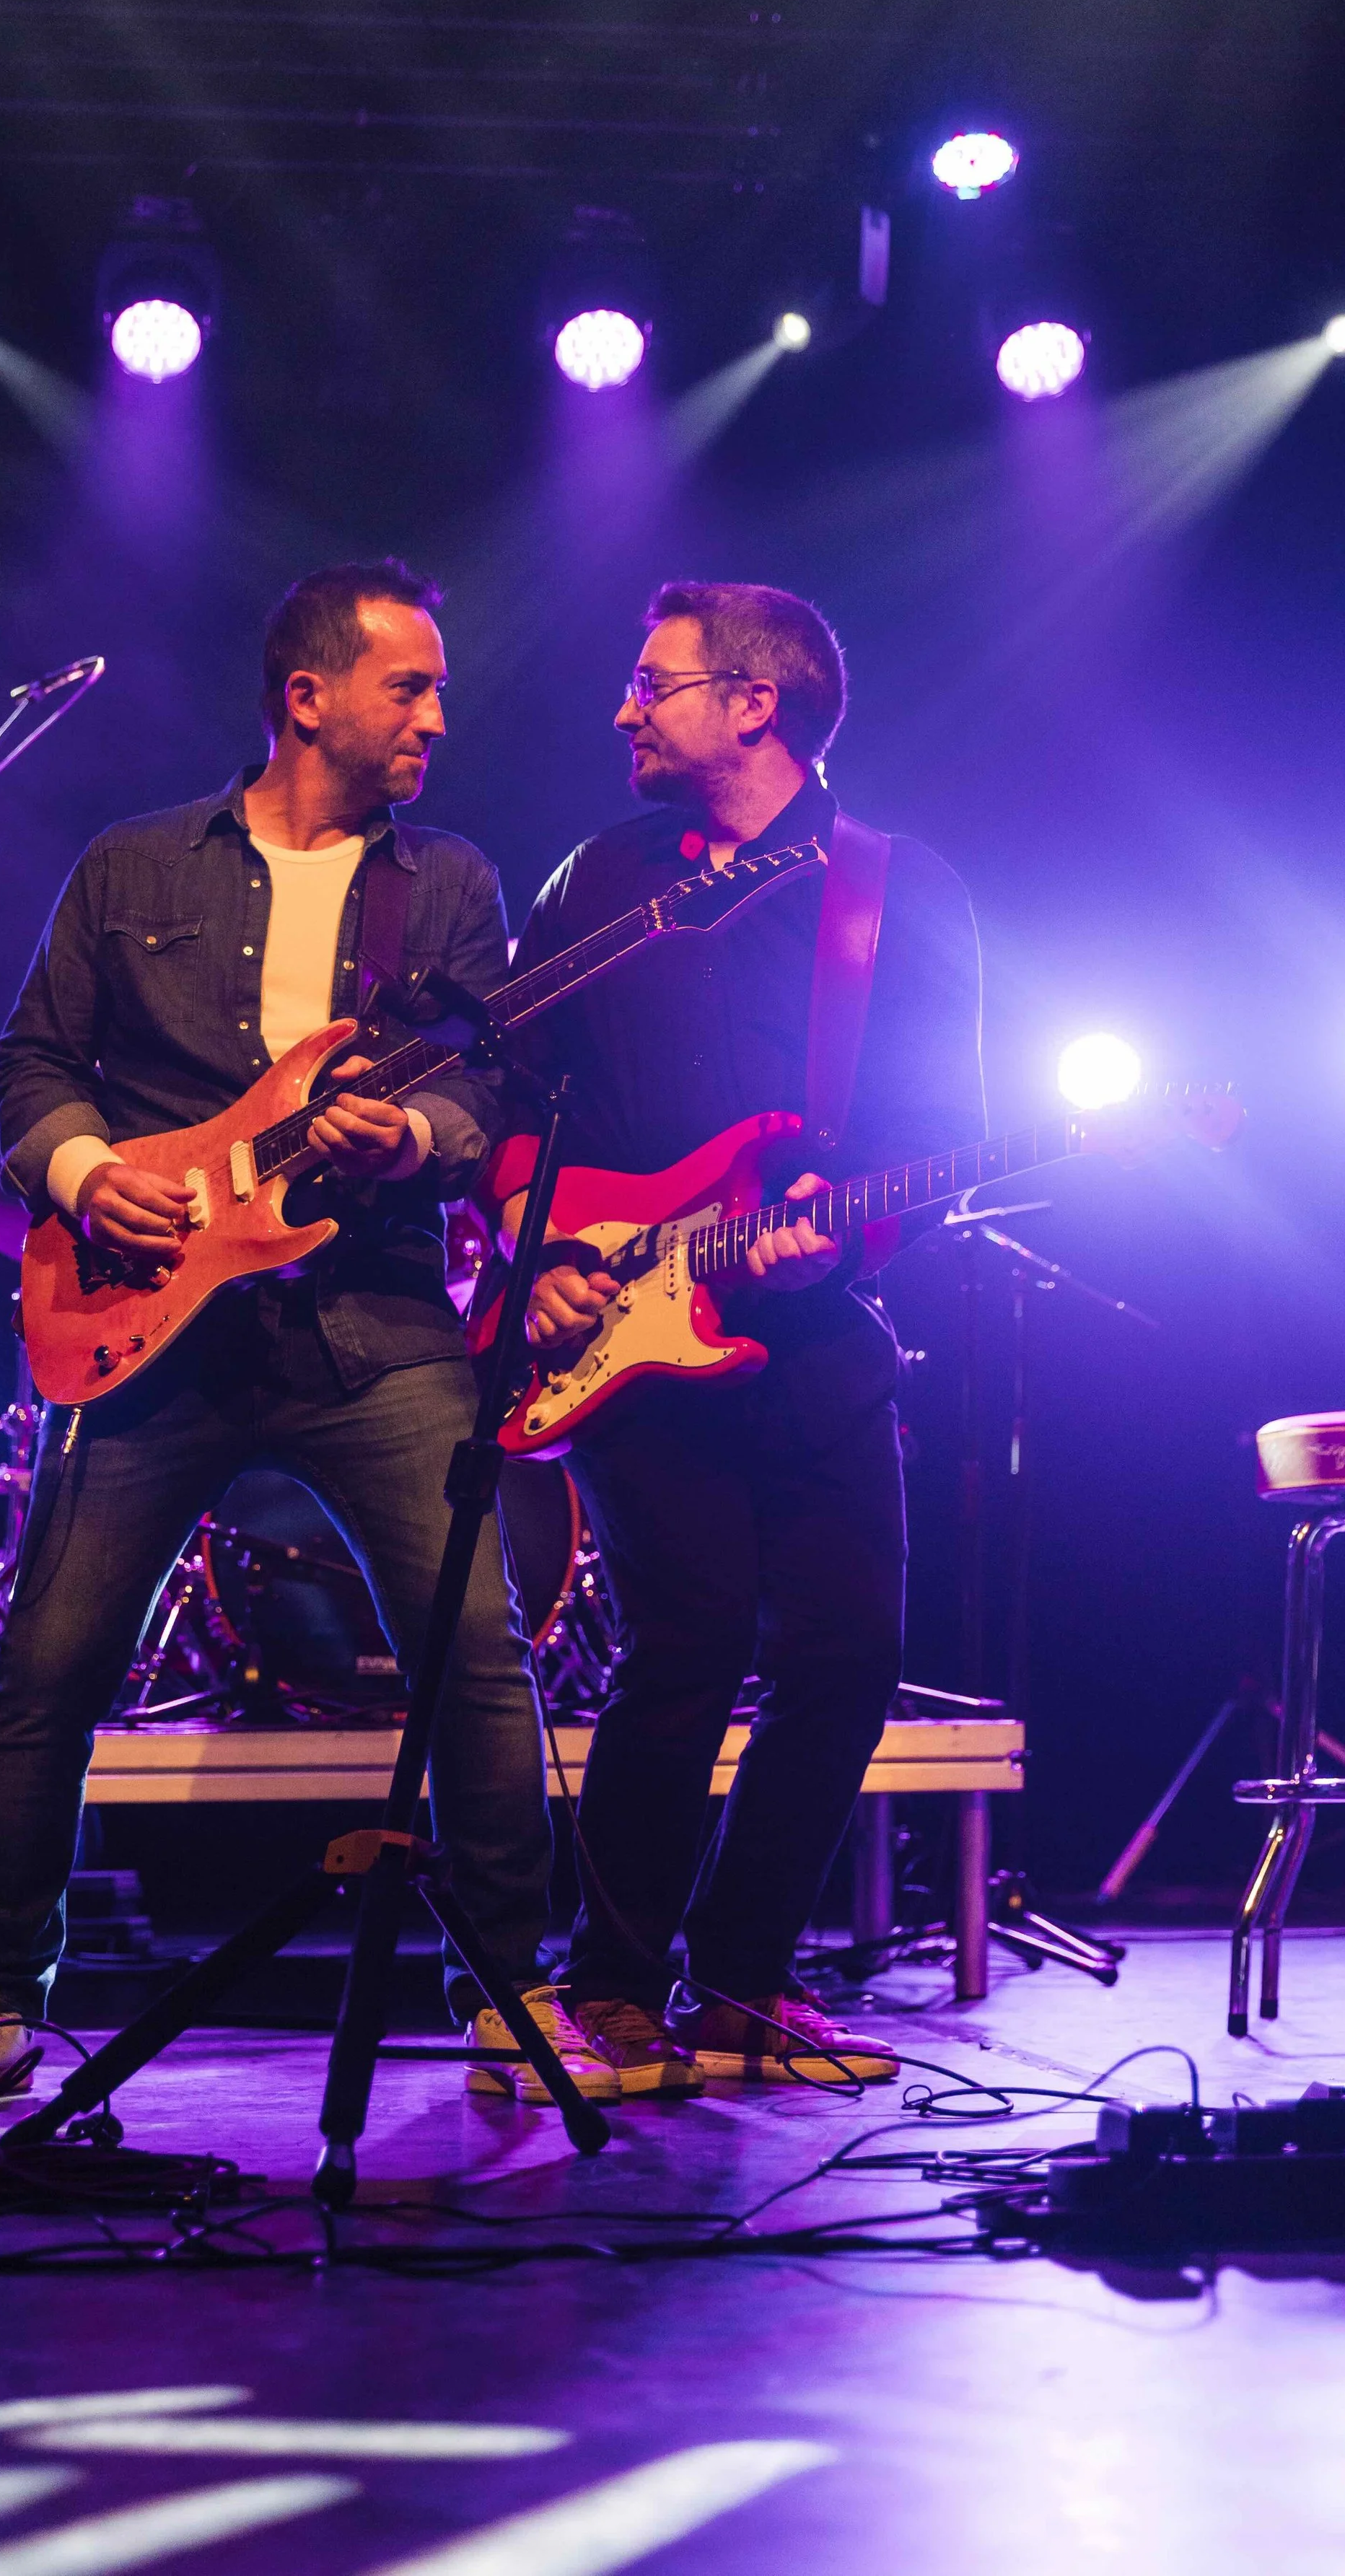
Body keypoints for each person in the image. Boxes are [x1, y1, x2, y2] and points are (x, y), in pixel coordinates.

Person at [0, 559, 620, 2106]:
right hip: (150, 1329)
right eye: (410, 685)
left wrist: (417, 1140)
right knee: (47, 1664)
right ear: (308, 697)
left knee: (477, 1653)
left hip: (372, 1317)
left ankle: (512, 1988)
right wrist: (90, 1173)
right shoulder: (131, 868)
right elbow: (28, 1066)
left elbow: (493, 1088)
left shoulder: (443, 884)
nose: (438, 714)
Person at [499, 580, 984, 2093]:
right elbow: (515, 1097)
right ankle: (616, 1986)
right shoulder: (596, 878)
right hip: (628, 1331)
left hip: (815, 1320)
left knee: (849, 1652)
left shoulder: (895, 889)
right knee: (683, 1647)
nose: (622, 708)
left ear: (752, 702)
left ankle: (743, 1988)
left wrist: (845, 1220)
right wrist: (540, 1259)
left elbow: (936, 1134)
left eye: (652, 682)